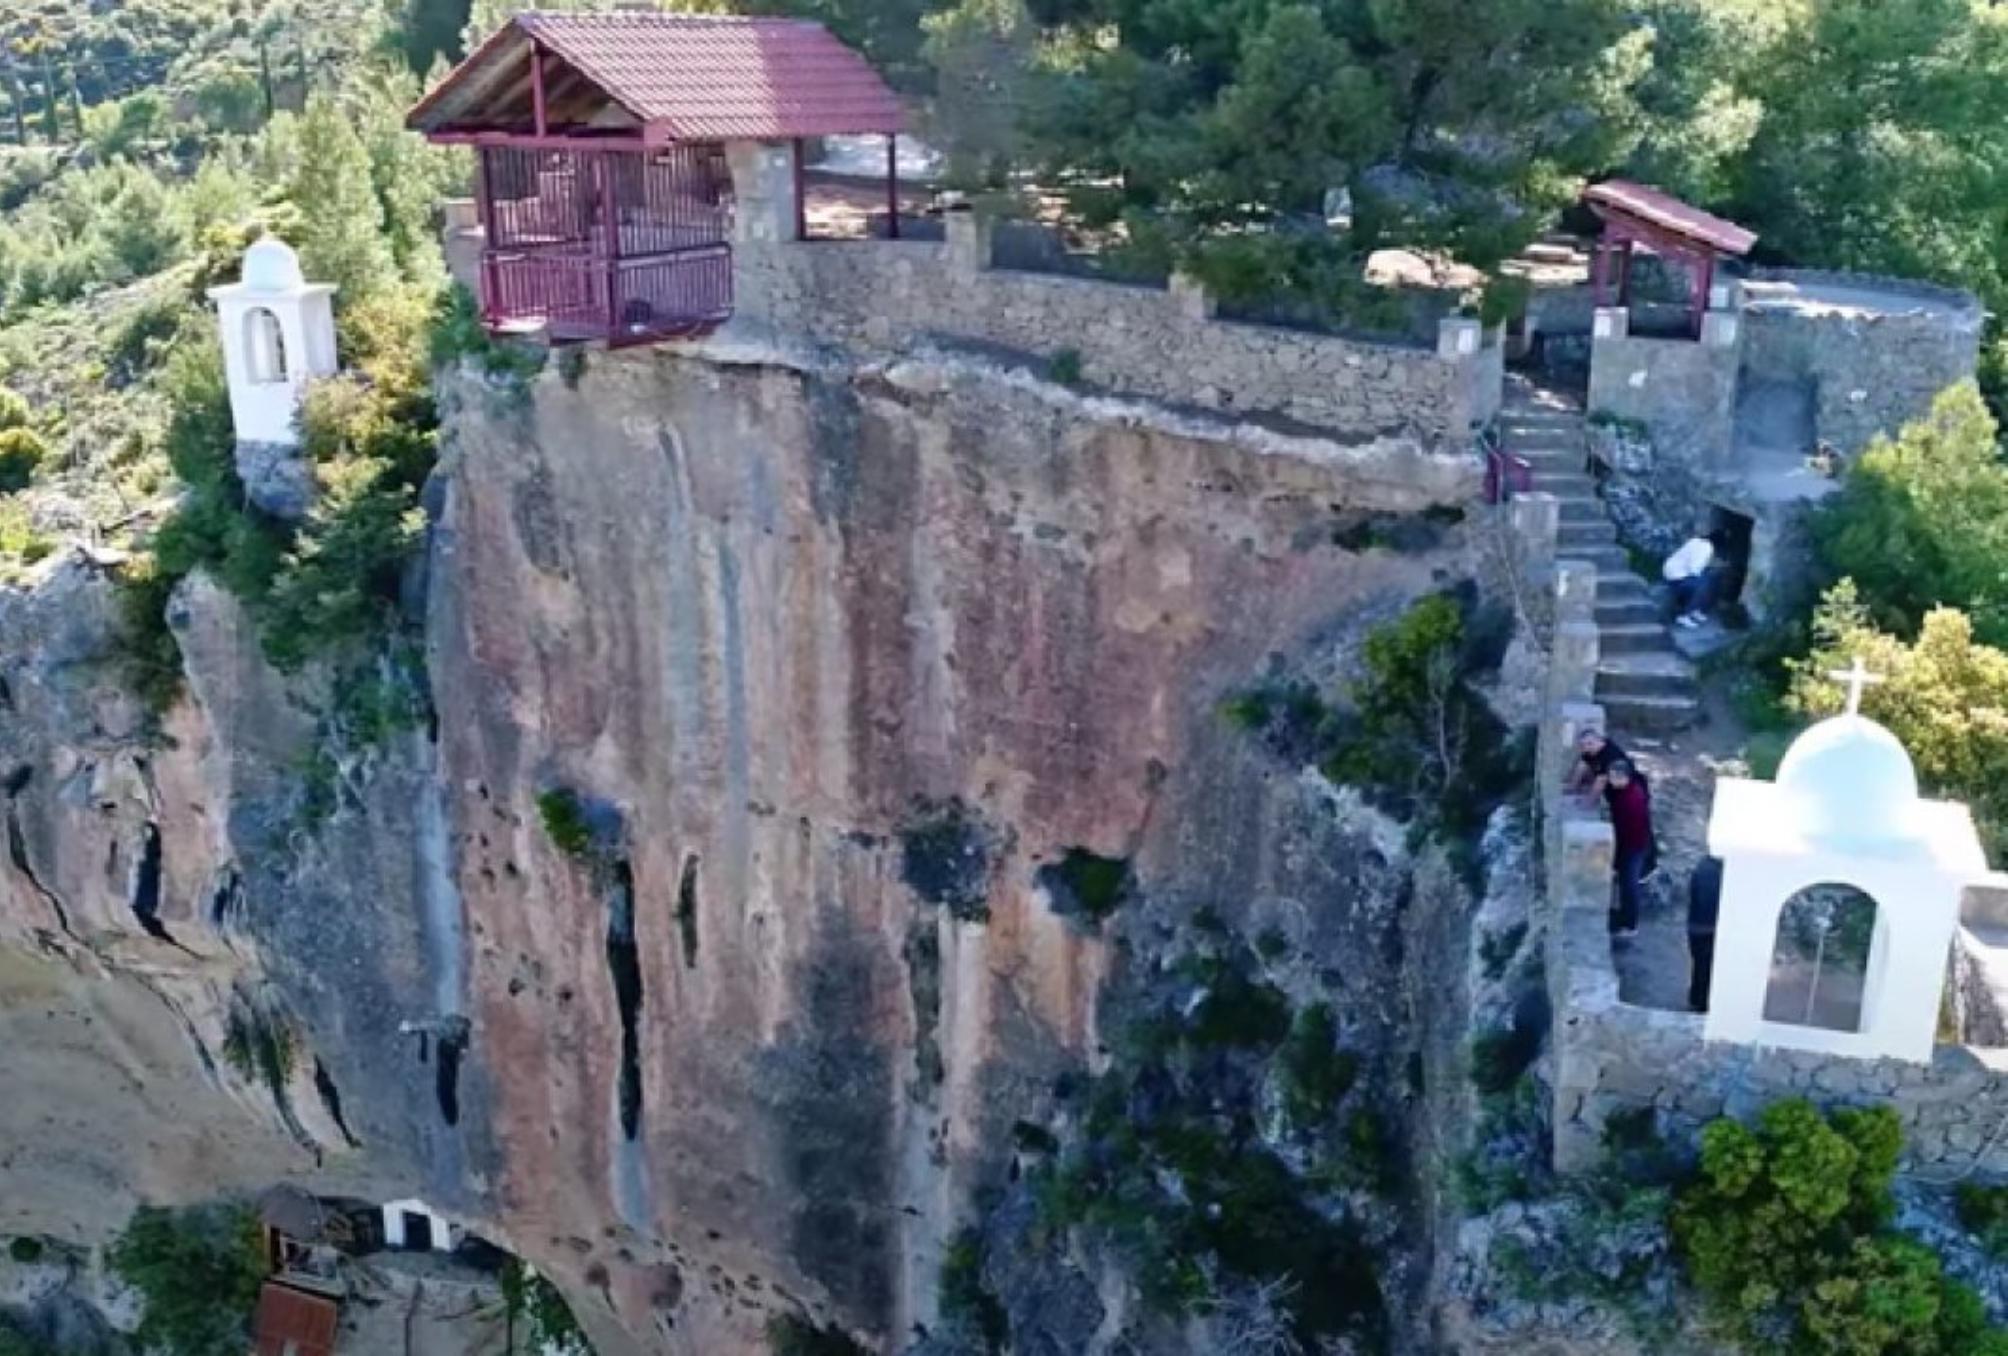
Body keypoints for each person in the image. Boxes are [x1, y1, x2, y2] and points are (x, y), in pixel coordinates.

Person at [1605, 759, 1654, 939]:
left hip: (1633, 846)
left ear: (1624, 777)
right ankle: (1624, 917)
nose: (1610, 780)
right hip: (1633, 844)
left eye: (1614, 777)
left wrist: (1616, 860)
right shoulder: (1627, 791)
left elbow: (1627, 831)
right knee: (1626, 884)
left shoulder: (1631, 799)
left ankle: (1630, 925)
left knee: (1629, 885)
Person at [1663, 528, 1727, 629]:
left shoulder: (1696, 540)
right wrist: (1713, 567)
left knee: (1707, 578)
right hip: (1676, 577)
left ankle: (1695, 609)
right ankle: (1685, 615)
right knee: (1704, 584)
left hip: (1670, 572)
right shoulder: (1707, 548)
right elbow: (1693, 568)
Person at [1687, 855, 1723, 1012]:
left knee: (1700, 965)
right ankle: (1703, 1004)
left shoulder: (1701, 866)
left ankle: (1696, 998)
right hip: (1713, 927)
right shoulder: (1729, 872)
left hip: (1696, 926)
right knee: (1710, 969)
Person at [1566, 727, 1629, 805]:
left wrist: (1587, 804)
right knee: (1582, 765)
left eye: (1590, 743)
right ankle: (1574, 788)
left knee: (1601, 783)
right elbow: (1582, 765)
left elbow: (1601, 780)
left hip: (1622, 785)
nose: (1586, 748)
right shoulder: (1591, 749)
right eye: (1583, 745)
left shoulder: (1610, 754)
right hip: (1605, 777)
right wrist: (1572, 787)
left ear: (1598, 740)